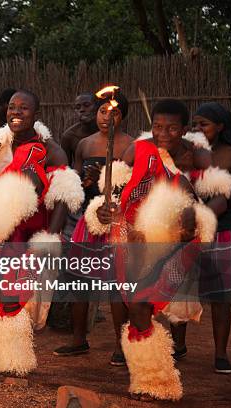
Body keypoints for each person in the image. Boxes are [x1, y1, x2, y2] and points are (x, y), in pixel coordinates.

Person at [85, 99, 227, 401]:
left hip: (175, 242)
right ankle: (151, 380)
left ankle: (158, 382)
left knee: (140, 306)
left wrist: (195, 215)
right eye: (158, 127)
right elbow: (117, 193)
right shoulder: (139, 149)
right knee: (137, 308)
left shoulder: (195, 156)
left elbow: (221, 198)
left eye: (172, 128)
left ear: (184, 129)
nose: (164, 133)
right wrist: (105, 212)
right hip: (133, 238)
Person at [0, 90, 84, 377]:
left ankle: (16, 361)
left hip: (31, 236)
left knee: (20, 298)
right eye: (12, 107)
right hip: (1, 232)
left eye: (24, 108)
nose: (16, 113)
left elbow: (64, 194)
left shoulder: (50, 149)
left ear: (36, 113)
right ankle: (12, 362)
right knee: (7, 296)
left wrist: (50, 239)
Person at [54, 91, 133, 364]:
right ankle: (78, 339)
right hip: (86, 221)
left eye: (113, 113)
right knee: (78, 279)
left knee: (116, 283)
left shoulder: (131, 146)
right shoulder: (84, 145)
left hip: (115, 220)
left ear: (123, 116)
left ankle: (121, 345)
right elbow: (75, 182)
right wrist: (84, 182)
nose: (106, 117)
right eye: (102, 111)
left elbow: (134, 186)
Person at [188, 102, 231, 374]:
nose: (197, 129)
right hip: (189, 228)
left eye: (203, 124)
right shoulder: (189, 154)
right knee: (182, 291)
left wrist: (223, 192)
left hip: (223, 229)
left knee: (220, 295)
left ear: (220, 126)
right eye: (194, 124)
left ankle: (220, 354)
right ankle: (178, 346)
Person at [60, 93, 99, 165]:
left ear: (97, 107)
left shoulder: (109, 132)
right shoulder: (69, 136)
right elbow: (65, 169)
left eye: (87, 105)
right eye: (78, 107)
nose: (82, 110)